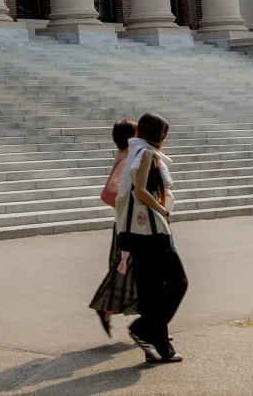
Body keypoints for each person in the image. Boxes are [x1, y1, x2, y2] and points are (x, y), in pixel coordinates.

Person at [116, 111, 185, 364]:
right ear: (159, 135)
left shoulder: (137, 149)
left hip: (138, 233)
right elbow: (142, 191)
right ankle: (144, 329)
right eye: (164, 134)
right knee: (178, 282)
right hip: (152, 231)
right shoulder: (145, 153)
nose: (165, 139)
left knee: (151, 291)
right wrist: (163, 210)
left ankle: (157, 347)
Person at [89, 119, 141, 336]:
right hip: (128, 224)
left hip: (124, 222)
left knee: (130, 270)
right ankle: (108, 308)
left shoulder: (122, 155)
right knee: (130, 268)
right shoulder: (127, 157)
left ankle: (148, 321)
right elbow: (112, 186)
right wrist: (136, 190)